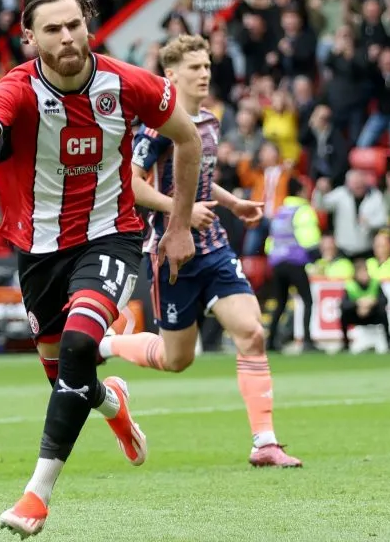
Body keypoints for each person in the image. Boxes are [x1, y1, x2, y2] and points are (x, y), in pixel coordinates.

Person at [0, 0, 203, 538]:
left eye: (74, 25)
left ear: (88, 26)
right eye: (52, 28)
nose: (66, 36)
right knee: (67, 378)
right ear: (29, 38)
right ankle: (111, 401)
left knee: (78, 346)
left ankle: (35, 497)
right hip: (39, 252)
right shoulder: (17, 90)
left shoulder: (127, 83)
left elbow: (185, 139)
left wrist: (179, 225)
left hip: (111, 236)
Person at [98, 34, 302, 468]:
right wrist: (181, 213)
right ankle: (111, 346)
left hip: (214, 248)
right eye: (195, 67)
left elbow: (201, 177)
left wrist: (232, 203)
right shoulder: (156, 128)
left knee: (252, 332)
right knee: (178, 360)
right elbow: (131, 186)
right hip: (172, 252)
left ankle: (264, 442)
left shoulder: (208, 121)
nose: (205, 73)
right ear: (171, 75)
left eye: (207, 65)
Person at [265, 177, 321, 352]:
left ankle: (271, 342)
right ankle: (307, 340)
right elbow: (308, 237)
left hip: (277, 262)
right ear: (300, 191)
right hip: (295, 261)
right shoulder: (303, 210)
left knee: (280, 303)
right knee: (307, 300)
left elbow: (270, 241)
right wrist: (315, 256)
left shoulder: (280, 211)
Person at [340, 258, 390, 353]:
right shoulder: (350, 286)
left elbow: (384, 300)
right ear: (356, 274)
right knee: (344, 315)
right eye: (362, 272)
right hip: (357, 315)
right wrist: (358, 303)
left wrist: (372, 303)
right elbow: (344, 305)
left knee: (383, 313)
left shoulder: (375, 283)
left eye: (366, 271)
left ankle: (389, 344)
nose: (365, 275)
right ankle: (346, 345)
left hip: (372, 314)